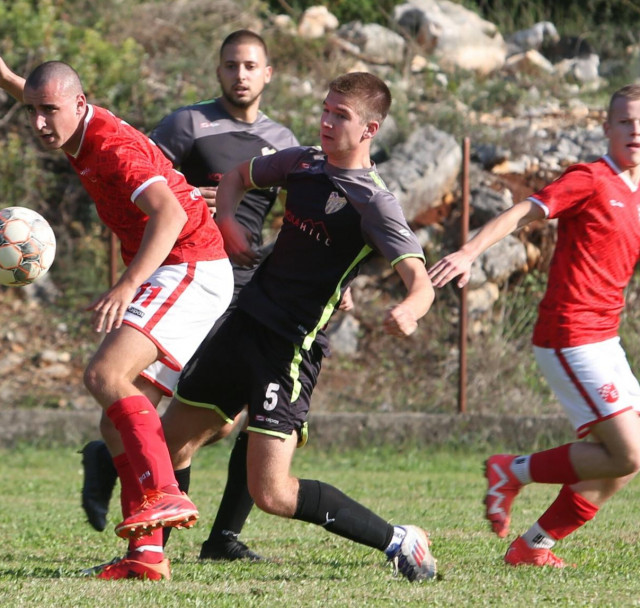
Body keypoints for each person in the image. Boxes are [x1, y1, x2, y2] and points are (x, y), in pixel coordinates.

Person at [152, 71, 438, 582]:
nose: (326, 122)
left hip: (289, 348)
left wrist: (410, 309)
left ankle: (401, 540)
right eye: (325, 109)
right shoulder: (303, 162)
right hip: (242, 324)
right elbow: (238, 177)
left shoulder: (374, 201)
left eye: (341, 116)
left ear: (370, 130)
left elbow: (421, 280)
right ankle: (149, 559)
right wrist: (230, 223)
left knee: (274, 495)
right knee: (169, 442)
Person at [0, 58, 234, 581]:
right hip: (175, 267)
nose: (39, 123)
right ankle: (147, 557)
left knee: (104, 375)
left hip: (189, 263)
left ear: (80, 104)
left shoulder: (112, 147)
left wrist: (127, 285)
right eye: (32, 112)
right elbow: (33, 90)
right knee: (114, 424)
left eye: (49, 112)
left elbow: (170, 215)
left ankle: (165, 492)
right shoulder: (70, 118)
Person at [80, 29, 299, 563]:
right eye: (230, 65)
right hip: (191, 275)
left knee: (230, 418)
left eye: (250, 66)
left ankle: (198, 527)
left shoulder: (283, 140)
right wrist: (192, 196)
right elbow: (148, 180)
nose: (240, 75)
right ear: (217, 70)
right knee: (182, 412)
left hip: (249, 290)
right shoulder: (187, 124)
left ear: (268, 74)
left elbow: (300, 215)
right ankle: (161, 535)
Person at [428, 83, 640, 568]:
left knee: (622, 464)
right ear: (607, 128)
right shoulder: (590, 178)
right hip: (570, 334)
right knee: (628, 452)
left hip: (606, 339)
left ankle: (532, 547)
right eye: (625, 121)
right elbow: (524, 212)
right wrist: (468, 251)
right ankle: (512, 471)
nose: (635, 131)